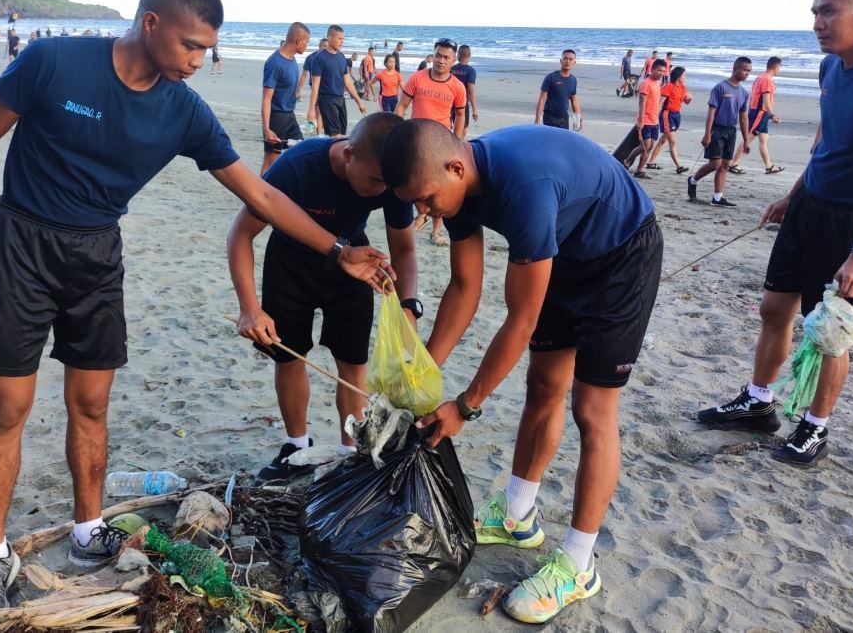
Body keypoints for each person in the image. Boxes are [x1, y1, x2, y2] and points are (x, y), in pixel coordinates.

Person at [0, 0, 392, 630]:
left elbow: (260, 195)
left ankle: (88, 529)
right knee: (9, 407)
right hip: (21, 242)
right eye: (192, 45)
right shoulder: (55, 62)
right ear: (151, 24)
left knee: (90, 402)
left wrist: (340, 251)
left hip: (97, 255)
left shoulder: (183, 110)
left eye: (207, 48)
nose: (200, 61)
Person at [379, 120, 662, 624]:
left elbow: (521, 318)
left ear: (455, 166)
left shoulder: (524, 189)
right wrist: (422, 371)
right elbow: (465, 287)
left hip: (622, 256)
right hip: (563, 254)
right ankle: (517, 515)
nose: (423, 213)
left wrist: (465, 406)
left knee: (591, 408)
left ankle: (578, 565)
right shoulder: (458, 191)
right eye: (415, 205)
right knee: (543, 385)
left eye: (425, 199)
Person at [697, 0, 853, 467]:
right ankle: (758, 402)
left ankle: (815, 428)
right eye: (815, 11)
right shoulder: (830, 67)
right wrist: (793, 195)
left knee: (828, 329)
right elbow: (827, 143)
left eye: (828, 11)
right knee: (774, 309)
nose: (817, 22)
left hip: (849, 221)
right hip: (809, 207)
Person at [229, 113, 419, 480]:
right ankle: (296, 446)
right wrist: (249, 309)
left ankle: (350, 454)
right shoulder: (297, 167)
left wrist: (408, 306)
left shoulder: (392, 179)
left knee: (353, 364)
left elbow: (406, 250)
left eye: (388, 183)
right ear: (348, 155)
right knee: (290, 356)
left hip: (354, 265)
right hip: (290, 264)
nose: (380, 190)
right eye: (374, 180)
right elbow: (240, 235)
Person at [396, 38, 468, 246]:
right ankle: (419, 215)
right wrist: (397, 128)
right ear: (433, 55)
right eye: (438, 55)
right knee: (411, 181)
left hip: (442, 145)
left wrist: (457, 140)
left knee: (440, 188)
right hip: (415, 141)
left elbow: (461, 115)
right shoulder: (417, 78)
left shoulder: (457, 87)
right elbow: (402, 106)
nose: (440, 60)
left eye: (446, 57)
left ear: (453, 60)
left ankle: (436, 231)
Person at [686, 57, 752, 207]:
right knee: (715, 163)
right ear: (735, 69)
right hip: (717, 129)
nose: (747, 73)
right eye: (745, 70)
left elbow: (743, 117)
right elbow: (711, 112)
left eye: (749, 71)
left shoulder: (744, 93)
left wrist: (746, 140)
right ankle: (693, 180)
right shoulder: (720, 87)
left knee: (725, 165)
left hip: (731, 130)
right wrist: (707, 133)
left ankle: (717, 197)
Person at [261, 22, 310, 174]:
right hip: (276, 118)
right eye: (306, 42)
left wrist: (295, 92)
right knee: (271, 159)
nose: (307, 46)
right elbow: (266, 99)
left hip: (290, 116)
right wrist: (267, 129)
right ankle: (259, 193)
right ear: (298, 41)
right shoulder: (275, 63)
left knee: (302, 152)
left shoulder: (292, 59)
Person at [308, 25, 366, 137]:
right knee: (335, 136)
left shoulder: (341, 57)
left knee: (342, 133)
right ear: (330, 38)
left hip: (340, 98)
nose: (342, 42)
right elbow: (315, 86)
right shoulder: (319, 58)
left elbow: (347, 81)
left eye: (343, 39)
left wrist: (359, 101)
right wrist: (311, 109)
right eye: (339, 39)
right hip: (326, 100)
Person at [730, 56, 784, 175]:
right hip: (760, 113)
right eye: (780, 67)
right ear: (775, 66)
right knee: (749, 138)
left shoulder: (760, 77)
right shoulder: (766, 80)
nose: (780, 69)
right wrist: (772, 115)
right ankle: (733, 163)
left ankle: (769, 166)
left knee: (764, 139)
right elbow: (766, 99)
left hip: (760, 112)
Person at [644, 66, 693, 174]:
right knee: (673, 141)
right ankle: (678, 166)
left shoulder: (682, 87)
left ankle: (650, 162)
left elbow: (686, 102)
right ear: (679, 76)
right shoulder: (669, 86)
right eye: (684, 75)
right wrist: (654, 115)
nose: (685, 77)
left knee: (663, 141)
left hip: (677, 115)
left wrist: (689, 98)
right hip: (667, 114)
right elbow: (660, 102)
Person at [624, 59, 667, 178]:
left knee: (650, 147)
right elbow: (641, 104)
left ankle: (640, 170)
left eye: (663, 71)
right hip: (645, 120)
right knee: (644, 146)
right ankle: (627, 162)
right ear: (652, 70)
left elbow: (657, 101)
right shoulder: (646, 83)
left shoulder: (657, 84)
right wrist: (640, 121)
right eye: (659, 70)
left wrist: (659, 109)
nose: (661, 73)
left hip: (655, 120)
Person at [535, 49, 581, 130]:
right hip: (550, 118)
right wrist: (537, 120)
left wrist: (578, 119)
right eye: (565, 58)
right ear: (561, 61)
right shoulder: (551, 77)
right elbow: (542, 99)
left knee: (563, 142)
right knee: (551, 141)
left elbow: (574, 101)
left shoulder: (573, 80)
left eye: (570, 59)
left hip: (564, 118)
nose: (567, 61)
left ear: (574, 62)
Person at [297, 38, 328, 132]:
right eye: (324, 46)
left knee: (325, 114)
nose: (325, 49)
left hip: (328, 90)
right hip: (316, 89)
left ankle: (320, 130)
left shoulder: (330, 57)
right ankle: (319, 135)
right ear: (319, 46)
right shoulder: (311, 58)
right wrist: (298, 90)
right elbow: (304, 75)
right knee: (318, 112)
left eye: (327, 47)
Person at [451, 44, 478, 130]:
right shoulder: (471, 71)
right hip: (462, 104)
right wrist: (475, 110)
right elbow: (471, 91)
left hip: (450, 102)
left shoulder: (452, 68)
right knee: (462, 130)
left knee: (451, 126)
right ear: (469, 55)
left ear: (458, 55)